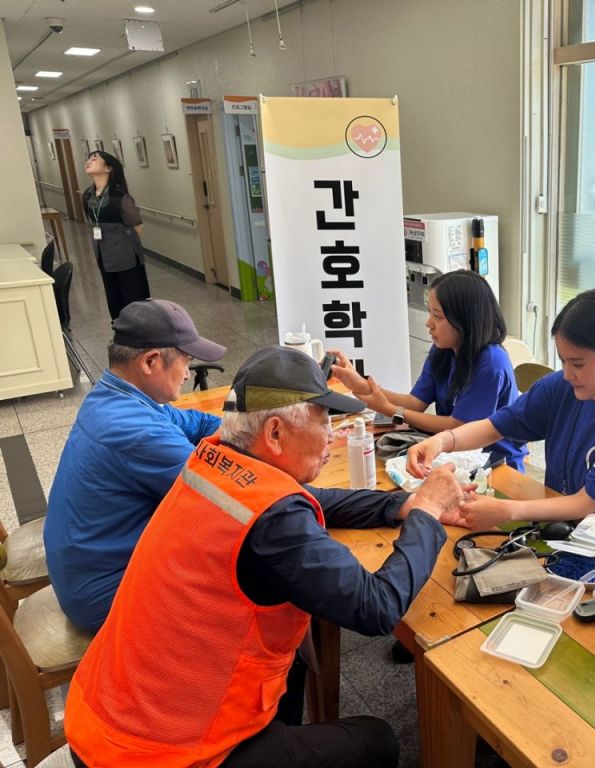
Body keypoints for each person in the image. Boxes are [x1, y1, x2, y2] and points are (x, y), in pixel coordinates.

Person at [65, 346, 465, 768]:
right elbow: (377, 607)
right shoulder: (275, 522)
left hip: (104, 717)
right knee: (376, 740)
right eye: (323, 421)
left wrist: (400, 505)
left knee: (291, 656)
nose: (331, 435)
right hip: (159, 755)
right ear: (275, 433)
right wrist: (426, 514)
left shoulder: (211, 459)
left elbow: (307, 498)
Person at [407, 288, 595, 530]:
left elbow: (585, 503)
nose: (567, 373)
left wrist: (507, 510)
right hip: (555, 526)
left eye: (577, 364)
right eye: (563, 361)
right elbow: (494, 426)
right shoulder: (561, 387)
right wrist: (443, 441)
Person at [45, 299, 226, 633]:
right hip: (104, 595)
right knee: (252, 573)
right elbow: (227, 494)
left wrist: (241, 432)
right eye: (186, 361)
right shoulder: (137, 431)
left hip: (83, 570)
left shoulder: (115, 395)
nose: (189, 374)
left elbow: (197, 422)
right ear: (150, 361)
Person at [332, 269, 527, 470]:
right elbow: (414, 403)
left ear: (466, 320)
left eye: (437, 316)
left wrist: (390, 410)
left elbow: (459, 428)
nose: (429, 323)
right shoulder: (444, 350)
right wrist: (361, 385)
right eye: (430, 313)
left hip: (495, 465)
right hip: (451, 454)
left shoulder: (491, 363)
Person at [83, 150, 150, 320]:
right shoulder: (88, 195)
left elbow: (137, 226)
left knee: (133, 297)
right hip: (103, 255)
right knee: (113, 298)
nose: (89, 162)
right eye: (88, 159)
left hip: (125, 256)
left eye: (94, 159)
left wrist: (124, 244)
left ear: (108, 168)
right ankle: (120, 329)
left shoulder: (120, 197)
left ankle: (138, 331)